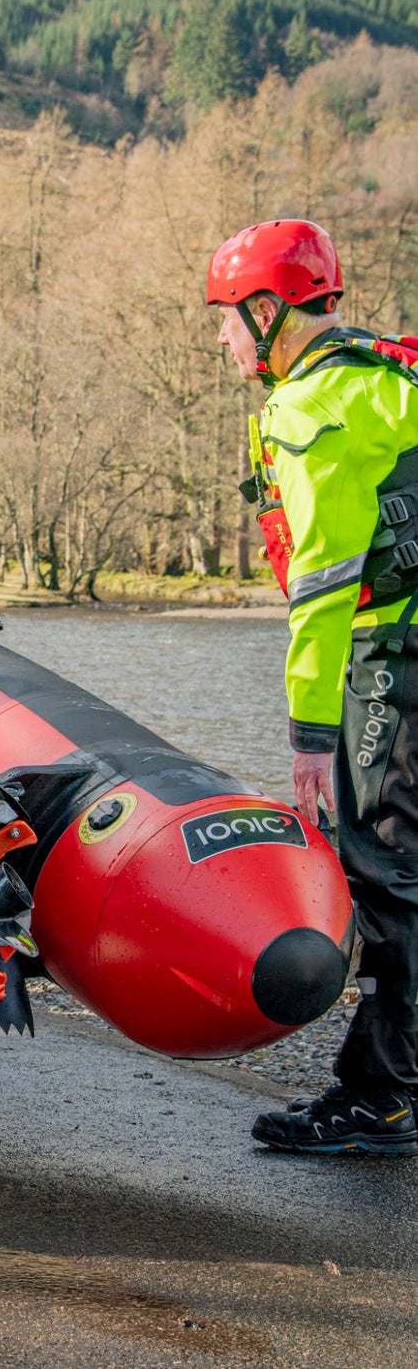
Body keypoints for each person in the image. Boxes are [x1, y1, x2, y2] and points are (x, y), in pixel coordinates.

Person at [211, 218, 418, 1156]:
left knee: (382, 871)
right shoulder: (392, 375)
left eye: (224, 317)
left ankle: (378, 1097)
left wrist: (305, 735)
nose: (219, 339)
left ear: (267, 311)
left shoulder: (313, 409)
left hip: (390, 654)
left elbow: (325, 587)